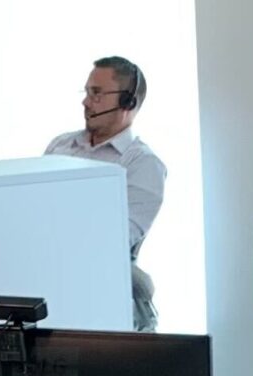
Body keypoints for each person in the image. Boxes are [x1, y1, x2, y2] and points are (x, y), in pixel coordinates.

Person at [46, 56, 167, 330]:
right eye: (87, 92)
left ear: (128, 102)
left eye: (97, 94)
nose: (86, 102)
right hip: (48, 277)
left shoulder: (142, 163)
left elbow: (115, 240)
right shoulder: (60, 146)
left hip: (99, 290)